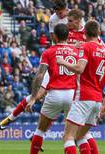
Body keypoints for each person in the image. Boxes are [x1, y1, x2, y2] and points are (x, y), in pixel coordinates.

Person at [57, 20, 105, 154]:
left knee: (68, 137)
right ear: (99, 32)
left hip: (83, 97)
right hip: (98, 101)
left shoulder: (86, 47)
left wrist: (63, 62)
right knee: (81, 136)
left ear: (84, 33)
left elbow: (79, 68)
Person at [23, 24, 78, 154]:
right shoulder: (76, 51)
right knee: (69, 136)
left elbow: (40, 76)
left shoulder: (49, 52)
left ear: (55, 36)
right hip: (72, 94)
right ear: (68, 35)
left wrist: (32, 98)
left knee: (40, 130)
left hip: (55, 93)